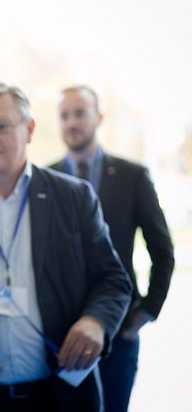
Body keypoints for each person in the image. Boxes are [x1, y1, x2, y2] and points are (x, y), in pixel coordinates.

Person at [0, 81, 132, 412]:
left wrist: (95, 321)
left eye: (0, 127)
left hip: (60, 395)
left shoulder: (73, 197)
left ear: (29, 129)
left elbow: (113, 280)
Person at [49, 85, 175, 412]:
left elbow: (162, 249)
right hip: (60, 334)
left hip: (119, 331)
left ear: (99, 117)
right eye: (64, 115)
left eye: (80, 113)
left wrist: (146, 311)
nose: (71, 122)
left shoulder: (132, 176)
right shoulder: (43, 178)